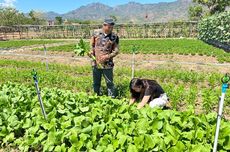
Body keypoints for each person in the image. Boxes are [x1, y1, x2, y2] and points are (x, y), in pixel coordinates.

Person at [88, 19, 119, 98]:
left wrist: (107, 57)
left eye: (112, 28)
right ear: (104, 26)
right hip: (96, 62)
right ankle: (96, 96)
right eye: (109, 27)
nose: (110, 29)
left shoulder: (114, 36)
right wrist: (91, 52)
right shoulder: (96, 33)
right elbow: (91, 45)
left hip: (107, 64)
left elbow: (116, 51)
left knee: (109, 82)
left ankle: (111, 98)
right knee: (96, 82)